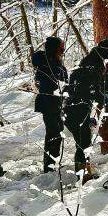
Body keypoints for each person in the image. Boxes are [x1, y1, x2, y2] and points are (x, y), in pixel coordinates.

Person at [64, 49, 106, 181]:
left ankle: (84, 171)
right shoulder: (91, 76)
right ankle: (83, 175)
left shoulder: (76, 73)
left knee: (82, 144)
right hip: (79, 112)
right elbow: (97, 96)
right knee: (84, 144)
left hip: (70, 111)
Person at [31, 36, 68, 173]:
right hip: (49, 104)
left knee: (56, 133)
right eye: (61, 48)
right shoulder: (46, 64)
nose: (62, 51)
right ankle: (50, 166)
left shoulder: (55, 63)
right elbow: (50, 84)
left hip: (57, 104)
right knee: (53, 135)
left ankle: (53, 163)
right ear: (54, 49)